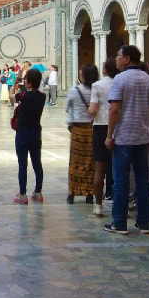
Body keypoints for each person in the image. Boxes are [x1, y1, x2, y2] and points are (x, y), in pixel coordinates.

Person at [104, 44, 149, 234]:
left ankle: (119, 223)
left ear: (127, 58)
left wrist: (109, 135)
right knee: (143, 181)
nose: (117, 59)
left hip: (124, 136)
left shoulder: (120, 79)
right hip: (143, 136)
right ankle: (144, 223)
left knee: (120, 181)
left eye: (119, 56)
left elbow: (114, 109)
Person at [12, 69, 46, 204]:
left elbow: (11, 96)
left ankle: (22, 195)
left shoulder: (23, 96)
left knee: (22, 164)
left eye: (26, 79)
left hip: (22, 133)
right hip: (36, 133)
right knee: (37, 164)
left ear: (30, 82)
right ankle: (38, 192)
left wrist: (15, 82)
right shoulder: (42, 96)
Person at [65, 64, 97, 204]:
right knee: (90, 163)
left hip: (77, 129)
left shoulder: (74, 91)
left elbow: (67, 107)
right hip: (91, 128)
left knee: (75, 162)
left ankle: (72, 192)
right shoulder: (96, 91)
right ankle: (89, 193)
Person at [89, 58, 117, 217]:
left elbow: (93, 110)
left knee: (100, 168)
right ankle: (122, 204)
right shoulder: (120, 82)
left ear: (105, 69)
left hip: (100, 127)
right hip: (118, 128)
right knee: (119, 168)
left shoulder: (97, 85)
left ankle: (98, 206)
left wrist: (91, 110)